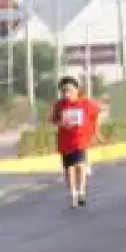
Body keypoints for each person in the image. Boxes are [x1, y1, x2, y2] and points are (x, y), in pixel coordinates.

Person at [50, 77, 101, 207]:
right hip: (65, 141)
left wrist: (95, 132)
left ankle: (81, 191)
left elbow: (96, 113)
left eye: (70, 90)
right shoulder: (59, 105)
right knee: (69, 169)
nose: (67, 94)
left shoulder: (85, 103)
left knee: (80, 165)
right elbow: (53, 120)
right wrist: (61, 122)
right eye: (64, 91)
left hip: (80, 139)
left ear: (77, 90)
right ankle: (73, 193)